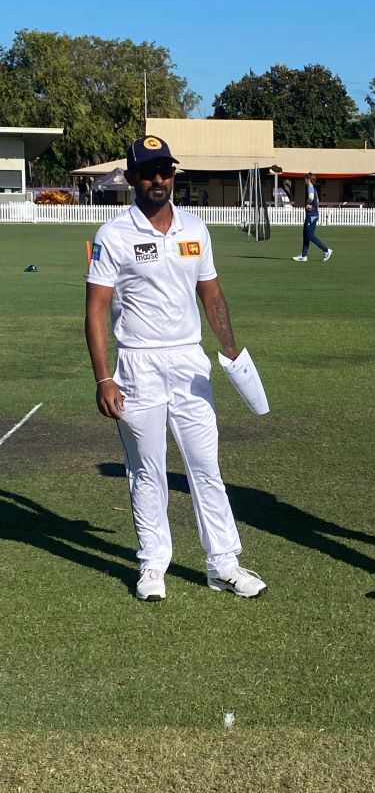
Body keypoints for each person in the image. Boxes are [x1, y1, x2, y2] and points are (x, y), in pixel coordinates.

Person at [85, 134, 267, 602]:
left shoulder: (195, 230)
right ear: (131, 179)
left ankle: (223, 564)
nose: (158, 179)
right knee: (147, 470)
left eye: (165, 170)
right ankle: (152, 565)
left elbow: (211, 293)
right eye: (148, 172)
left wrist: (229, 350)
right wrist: (104, 377)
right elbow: (96, 310)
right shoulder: (114, 235)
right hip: (138, 364)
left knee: (205, 467)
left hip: (189, 361)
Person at [293, 173, 333, 262]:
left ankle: (326, 250)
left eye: (305, 179)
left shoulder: (310, 188)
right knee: (305, 235)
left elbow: (311, 198)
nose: (304, 181)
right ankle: (304, 255)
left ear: (308, 179)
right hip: (312, 214)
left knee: (309, 235)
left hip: (312, 215)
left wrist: (307, 203)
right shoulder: (313, 188)